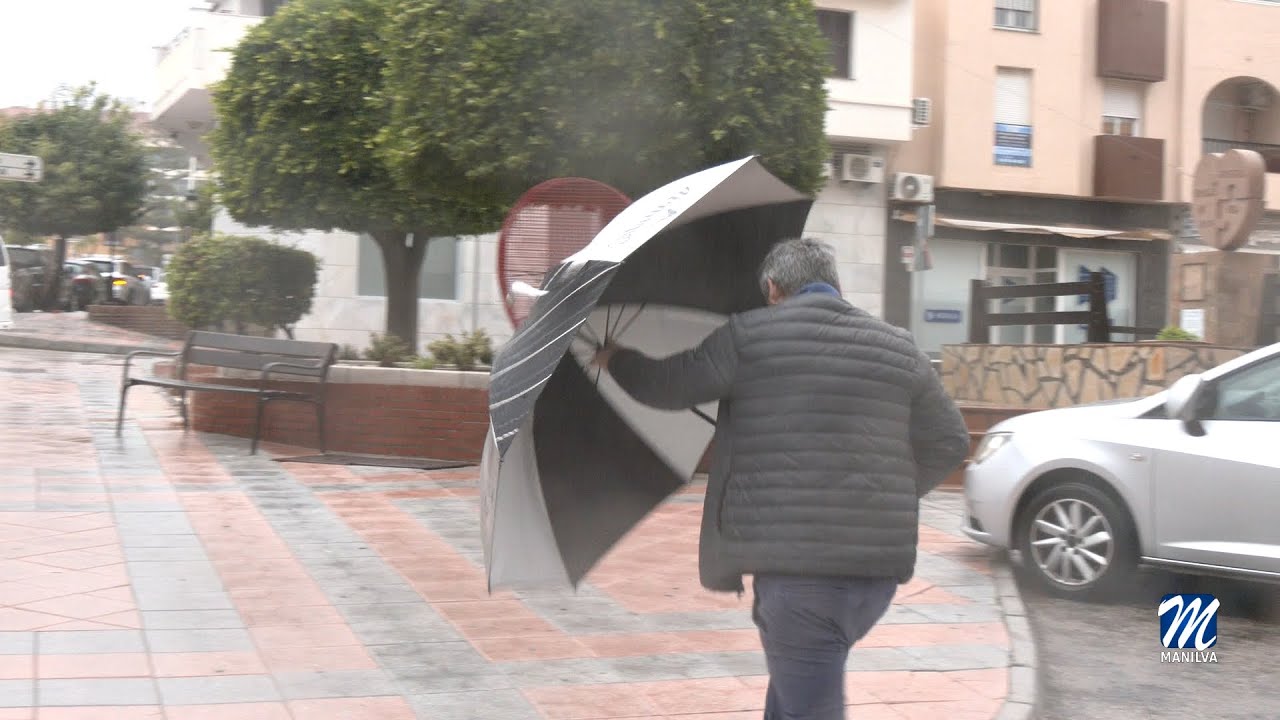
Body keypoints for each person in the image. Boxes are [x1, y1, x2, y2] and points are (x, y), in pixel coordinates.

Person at [590, 237, 970, 720]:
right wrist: (885, 493)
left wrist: (617, 358)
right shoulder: (898, 345)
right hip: (873, 582)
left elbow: (668, 385)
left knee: (808, 704)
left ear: (773, 288)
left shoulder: (749, 337)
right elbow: (951, 441)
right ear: (834, 284)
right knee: (795, 693)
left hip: (804, 579)